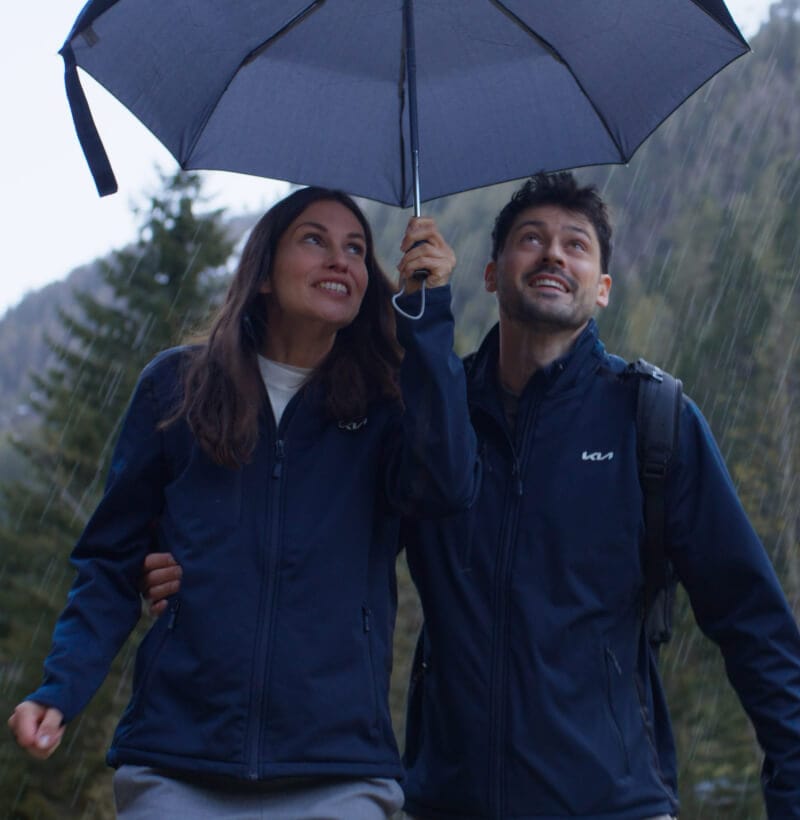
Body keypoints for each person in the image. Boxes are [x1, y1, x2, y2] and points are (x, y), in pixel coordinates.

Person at [141, 173, 800, 819]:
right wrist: (191, 568)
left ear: (601, 289)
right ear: (490, 274)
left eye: (576, 245)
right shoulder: (427, 416)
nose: (552, 254)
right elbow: (315, 538)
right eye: (531, 238)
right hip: (446, 799)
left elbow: (753, 623)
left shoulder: (652, 421)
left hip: (613, 801)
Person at [8, 186, 478, 819]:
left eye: (357, 249)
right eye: (314, 239)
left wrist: (428, 314)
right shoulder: (176, 387)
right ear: (262, 273)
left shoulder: (386, 408)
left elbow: (447, 484)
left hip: (336, 768)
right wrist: (61, 689)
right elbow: (112, 562)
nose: (341, 260)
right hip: (178, 761)